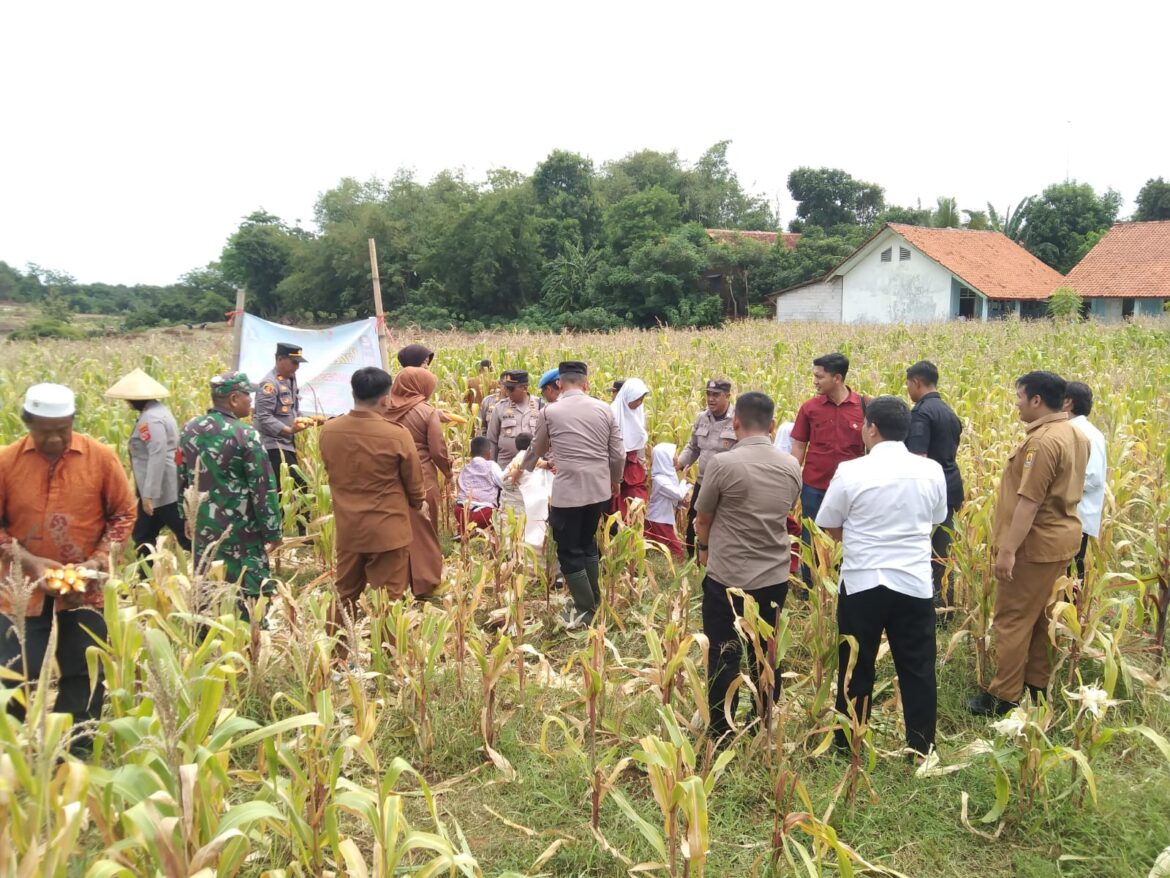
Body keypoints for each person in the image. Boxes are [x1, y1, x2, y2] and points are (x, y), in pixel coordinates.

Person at [0, 383, 136, 757]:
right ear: (27, 422)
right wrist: (30, 562)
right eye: (45, 429)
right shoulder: (7, 461)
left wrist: (98, 560)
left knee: (84, 672)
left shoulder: (101, 458)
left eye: (63, 428)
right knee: (13, 673)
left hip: (85, 590)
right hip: (21, 592)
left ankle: (74, 752)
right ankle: (11, 749)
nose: (56, 437)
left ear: (73, 421)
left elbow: (124, 514)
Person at [815, 396, 948, 758]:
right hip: (914, 582)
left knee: (856, 664)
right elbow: (937, 516)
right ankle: (921, 746)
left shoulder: (851, 470)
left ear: (871, 428)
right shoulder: (932, 470)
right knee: (918, 666)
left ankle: (848, 743)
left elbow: (829, 523)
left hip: (863, 581)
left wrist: (859, 543)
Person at [968, 371, 1089, 716]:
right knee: (1044, 618)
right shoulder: (1076, 434)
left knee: (1012, 619)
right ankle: (1036, 688)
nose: (1017, 404)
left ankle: (1003, 697)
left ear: (1037, 400)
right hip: (1061, 541)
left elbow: (1029, 502)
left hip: (1032, 546)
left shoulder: (1043, 442)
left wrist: (1007, 550)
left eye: (1020, 397)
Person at [694, 392, 802, 742]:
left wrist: (705, 549)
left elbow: (703, 517)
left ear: (735, 422)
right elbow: (786, 509)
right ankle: (764, 720)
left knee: (724, 652)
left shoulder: (722, 465)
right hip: (773, 576)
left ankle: (721, 729)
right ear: (772, 425)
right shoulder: (791, 466)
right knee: (766, 652)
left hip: (727, 576)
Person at [319, 367, 426, 644]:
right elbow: (414, 483)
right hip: (388, 530)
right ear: (385, 399)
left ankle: (336, 656)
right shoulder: (396, 435)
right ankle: (388, 661)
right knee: (388, 599)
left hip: (349, 530)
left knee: (345, 596)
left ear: (353, 393)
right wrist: (418, 503)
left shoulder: (329, 431)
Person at [523, 361, 624, 627]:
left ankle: (585, 609)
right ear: (586, 382)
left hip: (568, 493)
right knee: (588, 541)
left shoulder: (550, 412)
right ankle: (594, 600)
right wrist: (615, 481)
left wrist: (521, 471)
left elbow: (536, 449)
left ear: (559, 383)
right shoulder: (605, 409)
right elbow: (618, 454)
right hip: (599, 490)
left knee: (568, 549)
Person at [179, 372, 283, 621]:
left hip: (203, 525)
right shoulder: (245, 434)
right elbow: (262, 488)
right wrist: (273, 532)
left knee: (207, 583)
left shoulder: (190, 429)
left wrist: (186, 516)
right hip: (241, 530)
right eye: (249, 395)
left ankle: (207, 633)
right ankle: (251, 638)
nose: (252, 401)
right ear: (234, 399)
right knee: (249, 588)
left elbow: (182, 477)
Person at [790, 353, 866, 591]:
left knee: (848, 537)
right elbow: (799, 446)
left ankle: (843, 586)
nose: (815, 381)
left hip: (851, 489)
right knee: (810, 537)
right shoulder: (809, 408)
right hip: (815, 486)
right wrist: (792, 482)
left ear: (837, 378)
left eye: (819, 377)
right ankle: (810, 589)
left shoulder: (864, 407)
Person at [104, 368, 191, 561]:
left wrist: (149, 495)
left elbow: (157, 453)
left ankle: (211, 572)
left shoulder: (150, 419)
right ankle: (145, 578)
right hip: (159, 488)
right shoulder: (158, 410)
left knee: (184, 535)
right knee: (143, 535)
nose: (126, 403)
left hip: (162, 490)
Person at [385, 367, 451, 599]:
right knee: (424, 529)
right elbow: (437, 450)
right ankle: (424, 583)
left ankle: (395, 584)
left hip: (389, 478)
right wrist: (448, 472)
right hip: (422, 476)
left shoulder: (382, 408)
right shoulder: (427, 411)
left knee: (395, 530)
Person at [904, 360, 965, 613]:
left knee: (925, 552)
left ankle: (932, 607)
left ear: (917, 382)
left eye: (908, 384)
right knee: (942, 552)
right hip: (950, 487)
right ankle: (946, 606)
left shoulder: (920, 414)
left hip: (929, 493)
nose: (907, 389)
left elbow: (918, 458)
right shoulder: (948, 411)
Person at [675, 378, 737, 555]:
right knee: (694, 523)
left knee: (722, 524)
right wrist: (680, 463)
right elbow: (693, 447)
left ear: (728, 396)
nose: (711, 399)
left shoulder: (737, 420)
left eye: (716, 395)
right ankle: (693, 561)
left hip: (727, 485)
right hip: (703, 483)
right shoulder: (702, 418)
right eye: (708, 394)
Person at [254, 342, 309, 533]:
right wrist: (288, 430)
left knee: (286, 486)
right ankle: (303, 530)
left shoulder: (291, 379)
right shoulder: (269, 385)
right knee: (298, 485)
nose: (297, 367)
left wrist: (304, 420)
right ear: (279, 359)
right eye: (293, 362)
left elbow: (293, 408)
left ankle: (287, 527)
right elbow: (264, 417)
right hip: (274, 444)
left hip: (287, 442)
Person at [1063, 381, 1106, 580]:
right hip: (1069, 516)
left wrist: (1056, 488)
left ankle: (1072, 610)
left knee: (1070, 575)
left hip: (1075, 516)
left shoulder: (1086, 434)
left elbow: (1093, 478)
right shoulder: (1074, 430)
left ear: (1068, 403)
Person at [488, 370, 542, 518]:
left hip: (533, 468)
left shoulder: (539, 406)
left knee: (530, 506)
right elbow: (492, 439)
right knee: (507, 508)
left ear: (524, 388)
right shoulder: (500, 407)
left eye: (511, 388)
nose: (507, 391)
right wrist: (492, 467)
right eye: (506, 387)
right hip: (506, 467)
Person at [610, 378, 650, 519]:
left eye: (641, 399)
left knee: (635, 504)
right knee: (615, 508)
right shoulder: (613, 413)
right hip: (614, 467)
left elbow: (640, 443)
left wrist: (643, 465)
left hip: (633, 468)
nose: (639, 403)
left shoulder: (639, 413)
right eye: (636, 399)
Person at [645, 443, 688, 559]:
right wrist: (683, 480)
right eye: (674, 454)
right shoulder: (660, 479)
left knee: (652, 549)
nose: (676, 457)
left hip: (660, 519)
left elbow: (672, 498)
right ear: (666, 458)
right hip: (658, 520)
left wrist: (681, 504)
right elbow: (678, 494)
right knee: (676, 550)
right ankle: (676, 572)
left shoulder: (666, 477)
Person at [456, 436, 504, 534]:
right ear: (489, 453)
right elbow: (504, 484)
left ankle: (464, 531)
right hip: (483, 513)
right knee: (502, 512)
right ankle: (491, 535)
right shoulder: (491, 466)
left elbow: (459, 484)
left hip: (461, 511)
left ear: (470, 454)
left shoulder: (465, 468)